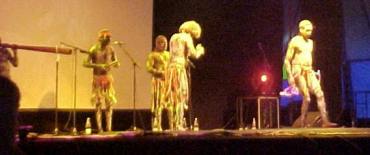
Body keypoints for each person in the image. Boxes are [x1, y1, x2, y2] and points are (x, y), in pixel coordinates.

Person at [284, 20, 337, 128]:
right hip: (298, 70)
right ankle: (303, 121)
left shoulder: (311, 43)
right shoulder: (295, 41)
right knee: (307, 97)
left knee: (320, 94)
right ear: (301, 29)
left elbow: (308, 58)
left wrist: (312, 71)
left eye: (311, 30)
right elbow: (286, 60)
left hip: (309, 71)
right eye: (307, 30)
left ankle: (325, 121)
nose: (309, 32)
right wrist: (289, 76)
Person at [165, 21, 205, 130]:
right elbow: (194, 54)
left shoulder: (173, 37)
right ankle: (178, 124)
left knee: (173, 97)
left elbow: (173, 53)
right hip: (179, 69)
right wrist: (199, 50)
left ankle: (172, 124)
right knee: (180, 96)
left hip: (170, 69)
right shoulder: (186, 37)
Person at [83, 29, 119, 133]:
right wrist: (99, 65)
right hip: (97, 78)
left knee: (109, 103)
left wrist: (115, 64)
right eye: (107, 38)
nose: (108, 40)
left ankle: (109, 128)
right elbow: (85, 63)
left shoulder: (111, 49)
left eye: (109, 38)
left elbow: (115, 61)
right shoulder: (94, 49)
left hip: (107, 78)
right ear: (101, 38)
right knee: (98, 104)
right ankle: (100, 128)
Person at [146, 35, 170, 131]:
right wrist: (159, 72)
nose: (163, 45)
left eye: (165, 42)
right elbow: (149, 68)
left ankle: (172, 125)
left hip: (168, 82)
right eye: (161, 43)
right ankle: (158, 125)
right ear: (157, 44)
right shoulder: (153, 55)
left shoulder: (169, 55)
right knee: (158, 103)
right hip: (158, 81)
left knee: (170, 104)